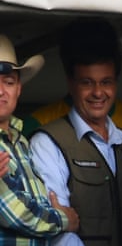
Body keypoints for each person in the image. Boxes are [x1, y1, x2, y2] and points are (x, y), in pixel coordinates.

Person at [29, 17, 122, 246]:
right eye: (87, 82)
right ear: (70, 83)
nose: (98, 93)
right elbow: (60, 232)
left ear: (116, 83)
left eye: (106, 82)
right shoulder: (48, 144)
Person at [0, 34, 79, 244]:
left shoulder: (20, 139)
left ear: (19, 89)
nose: (1, 91)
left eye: (8, 82)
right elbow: (16, 213)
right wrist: (64, 219)